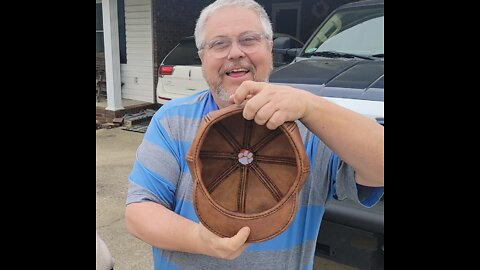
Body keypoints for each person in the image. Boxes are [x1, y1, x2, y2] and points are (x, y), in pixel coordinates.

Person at [125, 0, 384, 269]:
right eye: (219, 44)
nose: (235, 53)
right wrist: (201, 239)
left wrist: (312, 106)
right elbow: (139, 212)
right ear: (202, 57)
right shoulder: (171, 120)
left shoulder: (312, 125)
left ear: (269, 48)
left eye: (249, 40)